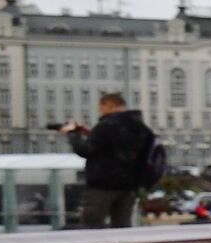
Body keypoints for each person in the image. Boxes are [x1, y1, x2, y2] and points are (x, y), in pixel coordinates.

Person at [62, 92, 154, 229]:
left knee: (92, 224)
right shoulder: (141, 127)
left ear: (108, 105)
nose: (101, 112)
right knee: (122, 226)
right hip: (128, 186)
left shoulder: (106, 125)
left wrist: (72, 134)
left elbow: (85, 150)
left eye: (101, 108)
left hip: (102, 185)